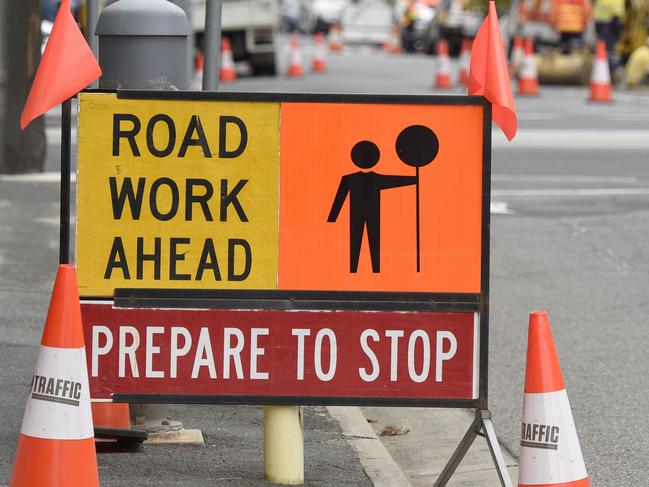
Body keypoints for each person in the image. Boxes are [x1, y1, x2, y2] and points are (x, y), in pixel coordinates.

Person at [327, 141, 417, 274]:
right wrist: (415, 180)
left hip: (361, 214)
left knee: (362, 241)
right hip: (368, 214)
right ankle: (371, 270)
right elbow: (340, 198)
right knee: (368, 242)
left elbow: (340, 199)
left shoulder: (350, 179)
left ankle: (364, 270)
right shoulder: (370, 179)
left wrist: (332, 218)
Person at [593, 0, 626, 72]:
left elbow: (596, 13)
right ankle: (610, 70)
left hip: (601, 24)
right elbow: (617, 15)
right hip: (610, 26)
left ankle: (604, 69)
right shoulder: (617, 1)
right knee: (610, 50)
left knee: (603, 48)